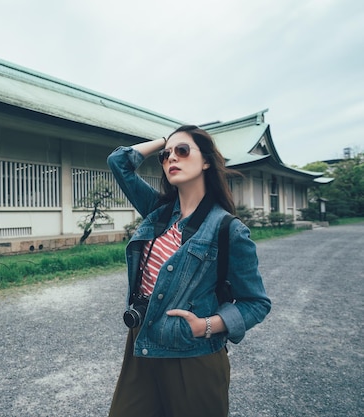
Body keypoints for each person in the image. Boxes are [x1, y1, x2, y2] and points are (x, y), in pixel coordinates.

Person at [106, 125, 271, 417]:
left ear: (206, 161)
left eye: (182, 151)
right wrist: (164, 140)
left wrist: (206, 326)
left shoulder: (228, 229)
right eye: (166, 155)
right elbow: (118, 162)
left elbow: (256, 303)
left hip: (192, 352)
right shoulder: (159, 211)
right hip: (142, 343)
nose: (171, 158)